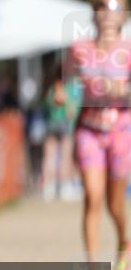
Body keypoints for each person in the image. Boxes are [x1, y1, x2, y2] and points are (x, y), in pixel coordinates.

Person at [68, 0, 131, 270]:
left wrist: (123, 91)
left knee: (114, 202)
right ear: (93, 13)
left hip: (122, 130)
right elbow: (62, 82)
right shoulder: (79, 49)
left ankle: (124, 243)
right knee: (92, 197)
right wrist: (60, 95)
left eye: (114, 7)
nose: (107, 14)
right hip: (89, 130)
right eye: (101, 7)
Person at [41, 65, 81, 200]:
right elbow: (72, 111)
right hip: (65, 125)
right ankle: (64, 187)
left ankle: (48, 187)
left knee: (49, 156)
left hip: (51, 123)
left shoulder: (52, 88)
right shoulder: (71, 88)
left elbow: (46, 105)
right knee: (65, 156)